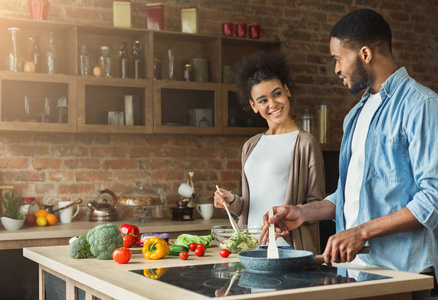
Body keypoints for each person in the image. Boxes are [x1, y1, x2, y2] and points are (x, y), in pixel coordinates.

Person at [260, 8, 438, 297]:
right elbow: (350, 195)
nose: (337, 69)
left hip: (400, 276)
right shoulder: (355, 115)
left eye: (338, 59)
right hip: (353, 273)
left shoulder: (422, 106)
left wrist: (361, 232)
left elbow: (433, 199)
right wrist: (303, 212)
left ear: (365, 54)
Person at [213, 51, 325, 254]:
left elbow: (316, 205)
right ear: (253, 106)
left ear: (287, 90)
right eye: (263, 100)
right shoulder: (251, 146)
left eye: (277, 94)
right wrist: (232, 201)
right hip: (251, 248)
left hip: (289, 248)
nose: (273, 104)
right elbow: (251, 205)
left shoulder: (306, 143)